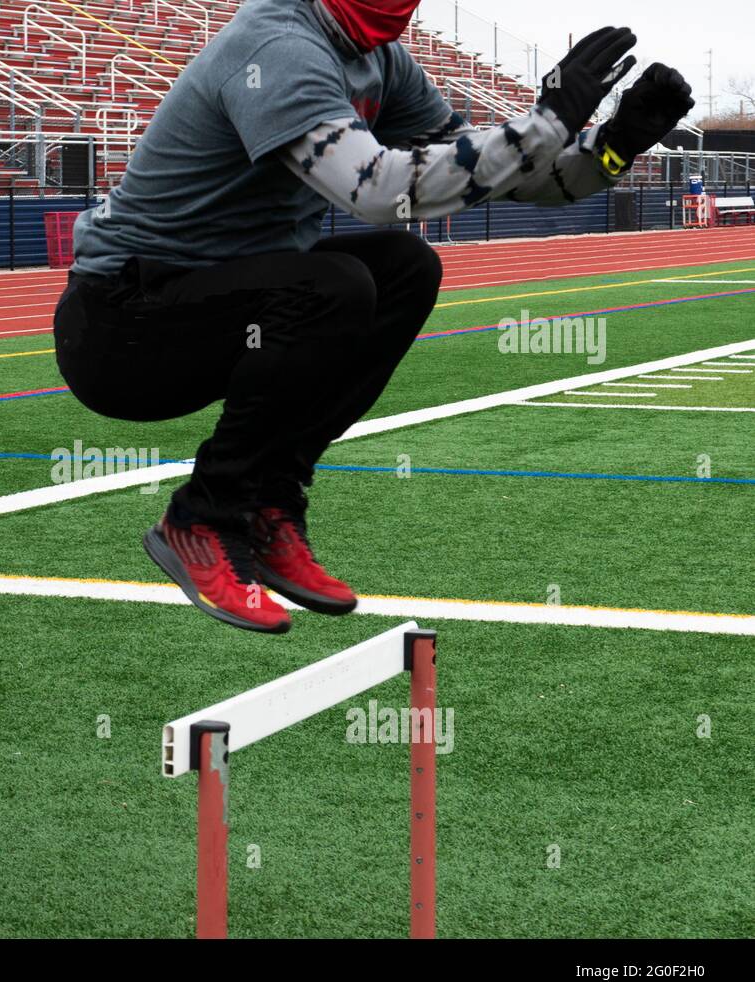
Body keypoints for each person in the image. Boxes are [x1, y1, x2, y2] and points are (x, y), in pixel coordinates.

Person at [53, 0, 693, 633]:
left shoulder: (380, 60)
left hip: (217, 303)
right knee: (334, 287)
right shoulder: (279, 46)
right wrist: (544, 121)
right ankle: (203, 517)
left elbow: (496, 175)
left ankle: (269, 503)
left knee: (406, 270)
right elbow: (381, 191)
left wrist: (610, 145)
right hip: (123, 327)